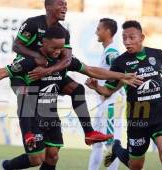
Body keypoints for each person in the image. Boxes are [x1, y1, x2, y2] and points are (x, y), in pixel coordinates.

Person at [0, 26, 142, 170]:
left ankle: (89, 132)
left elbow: (91, 70)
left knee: (53, 156)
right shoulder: (30, 62)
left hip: (50, 112)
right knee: (36, 159)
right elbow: (0, 72)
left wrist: (121, 76)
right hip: (32, 113)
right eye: (55, 48)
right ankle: (6, 166)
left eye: (62, 48)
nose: (59, 52)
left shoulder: (65, 60)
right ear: (44, 44)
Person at [13, 0, 112, 145]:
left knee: (77, 89)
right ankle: (28, 134)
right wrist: (36, 57)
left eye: (66, 4)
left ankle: (89, 133)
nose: (65, 6)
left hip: (46, 73)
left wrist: (47, 70)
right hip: (27, 73)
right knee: (25, 94)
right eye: (61, 3)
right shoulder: (33, 23)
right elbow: (16, 45)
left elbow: (67, 60)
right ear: (48, 6)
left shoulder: (63, 32)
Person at [86, 20, 162, 170]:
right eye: (124, 38)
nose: (127, 42)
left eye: (131, 37)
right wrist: (96, 87)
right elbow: (108, 91)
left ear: (142, 37)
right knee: (136, 165)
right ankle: (117, 148)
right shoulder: (120, 63)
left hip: (161, 114)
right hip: (137, 118)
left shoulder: (157, 55)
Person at [88, 18, 126, 170]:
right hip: (105, 101)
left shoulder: (112, 52)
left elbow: (122, 73)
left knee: (111, 142)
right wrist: (97, 86)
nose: (96, 32)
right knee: (96, 142)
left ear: (107, 31)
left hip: (113, 101)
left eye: (98, 29)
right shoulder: (107, 51)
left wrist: (108, 91)